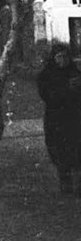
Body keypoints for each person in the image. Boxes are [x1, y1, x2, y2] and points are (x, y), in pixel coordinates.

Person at [36, 43, 81, 195]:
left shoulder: (75, 72)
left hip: (75, 119)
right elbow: (47, 95)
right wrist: (68, 89)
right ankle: (66, 186)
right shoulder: (46, 75)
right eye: (59, 57)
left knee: (77, 151)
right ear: (53, 59)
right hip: (56, 120)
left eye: (65, 56)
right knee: (60, 153)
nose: (63, 60)